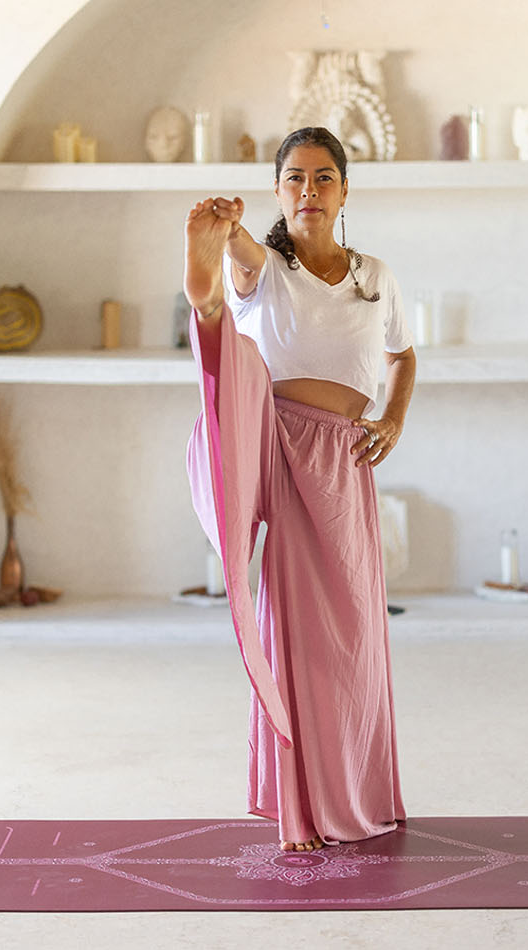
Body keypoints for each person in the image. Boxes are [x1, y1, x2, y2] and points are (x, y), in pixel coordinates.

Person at [182, 126, 416, 853]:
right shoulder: (265, 266)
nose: (308, 191)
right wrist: (223, 241)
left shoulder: (375, 275)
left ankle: (357, 792)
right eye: (294, 179)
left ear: (344, 190)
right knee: (299, 635)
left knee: (355, 638)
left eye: (322, 178)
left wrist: (394, 418)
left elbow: (402, 355)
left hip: (345, 462)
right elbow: (247, 255)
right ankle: (300, 808)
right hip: (282, 451)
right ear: (279, 191)